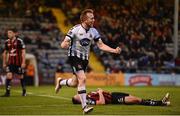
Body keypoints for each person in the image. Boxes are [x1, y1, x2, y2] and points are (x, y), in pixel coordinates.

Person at [55, 9, 121, 114]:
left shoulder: (94, 31)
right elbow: (64, 43)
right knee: (83, 78)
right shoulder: (75, 29)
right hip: (74, 57)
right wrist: (65, 44)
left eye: (93, 18)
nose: (93, 20)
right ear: (85, 19)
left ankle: (61, 82)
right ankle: (85, 107)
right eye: (91, 18)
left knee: (74, 83)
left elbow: (101, 45)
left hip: (85, 59)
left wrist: (114, 50)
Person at [72, 88, 170, 106]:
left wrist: (102, 91)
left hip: (113, 94)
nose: (78, 94)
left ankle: (161, 102)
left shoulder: (86, 95)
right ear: (78, 100)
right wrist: (101, 92)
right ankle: (161, 102)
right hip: (113, 99)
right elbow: (101, 103)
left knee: (137, 99)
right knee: (136, 100)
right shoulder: (88, 100)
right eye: (77, 96)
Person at [1, 28, 26, 97]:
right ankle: (7, 93)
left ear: (15, 33)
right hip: (10, 63)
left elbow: (23, 52)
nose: (8, 34)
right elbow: (5, 53)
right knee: (9, 75)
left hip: (19, 63)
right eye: (8, 33)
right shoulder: (7, 42)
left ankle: (24, 91)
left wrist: (23, 62)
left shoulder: (19, 41)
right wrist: (4, 63)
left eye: (10, 33)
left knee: (21, 76)